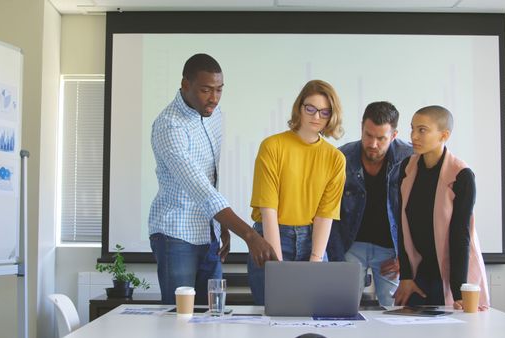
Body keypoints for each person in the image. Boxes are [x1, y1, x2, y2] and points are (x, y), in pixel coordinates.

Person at [148, 53, 277, 305]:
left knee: (213, 317)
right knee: (179, 319)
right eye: (206, 90)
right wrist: (250, 236)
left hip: (209, 235)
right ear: (185, 85)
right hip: (176, 235)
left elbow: (209, 180)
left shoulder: (213, 115)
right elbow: (200, 189)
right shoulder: (169, 126)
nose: (214, 98)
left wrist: (221, 226)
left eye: (219, 90)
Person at [246, 79, 346, 305]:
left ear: (332, 116)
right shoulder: (273, 146)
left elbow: (325, 213)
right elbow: (268, 209)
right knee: (271, 314)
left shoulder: (335, 159)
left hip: (313, 241)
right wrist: (278, 267)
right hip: (272, 238)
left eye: (324, 112)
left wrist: (315, 260)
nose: (316, 116)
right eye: (310, 108)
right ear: (299, 108)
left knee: (313, 315)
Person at [393, 105, 489, 310]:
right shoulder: (406, 168)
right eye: (412, 129)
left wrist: (459, 291)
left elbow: (460, 236)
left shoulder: (461, 175)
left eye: (422, 130)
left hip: (454, 274)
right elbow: (402, 225)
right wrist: (406, 276)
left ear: (444, 135)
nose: (413, 136)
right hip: (421, 272)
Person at [326, 101, 413, 306]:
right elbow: (328, 210)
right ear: (362, 128)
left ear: (394, 135)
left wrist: (406, 258)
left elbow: (418, 212)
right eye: (368, 135)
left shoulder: (409, 158)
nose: (373, 144)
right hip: (350, 246)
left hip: (390, 250)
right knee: (342, 307)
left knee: (394, 310)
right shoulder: (342, 157)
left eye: (381, 138)